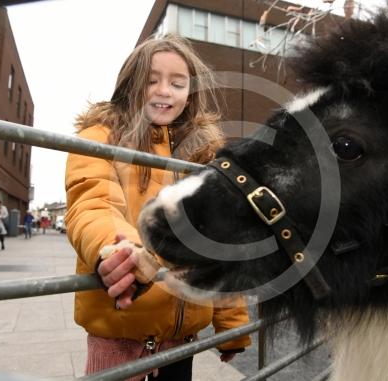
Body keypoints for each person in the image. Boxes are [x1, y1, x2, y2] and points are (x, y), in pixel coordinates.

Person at [65, 34, 251, 379]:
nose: (164, 91)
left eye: (178, 83)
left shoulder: (202, 156)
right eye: (151, 81)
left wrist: (232, 326)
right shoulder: (102, 137)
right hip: (119, 334)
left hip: (183, 339)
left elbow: (220, 242)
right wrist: (119, 250)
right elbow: (93, 201)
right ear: (129, 87)